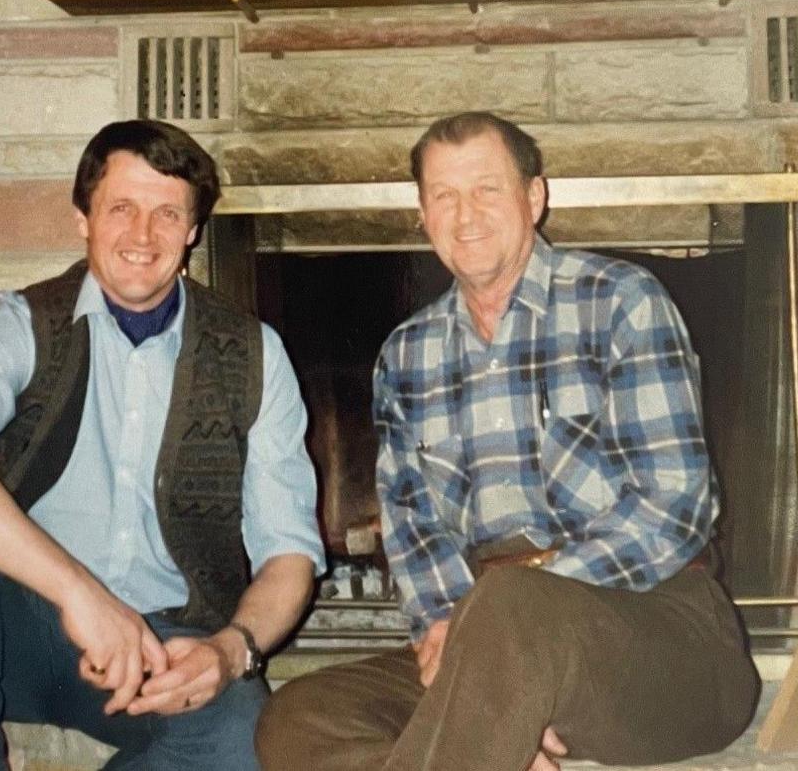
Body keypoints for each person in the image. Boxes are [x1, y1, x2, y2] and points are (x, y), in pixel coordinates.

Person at [255, 112, 759, 771]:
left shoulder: (622, 302)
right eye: (444, 195)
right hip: (486, 645)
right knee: (299, 715)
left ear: (535, 196)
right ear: (422, 213)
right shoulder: (406, 355)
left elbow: (675, 507)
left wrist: (497, 621)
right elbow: (414, 532)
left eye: (487, 188)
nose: (466, 215)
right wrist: (450, 634)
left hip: (663, 635)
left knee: (512, 603)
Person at [0, 119, 324, 771]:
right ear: (83, 219)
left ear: (194, 230)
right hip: (16, 634)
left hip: (163, 644)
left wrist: (231, 649)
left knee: (239, 736)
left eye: (167, 212)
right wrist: (79, 594)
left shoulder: (254, 354)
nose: (143, 236)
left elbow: (289, 553)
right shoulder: (22, 325)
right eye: (121, 208)